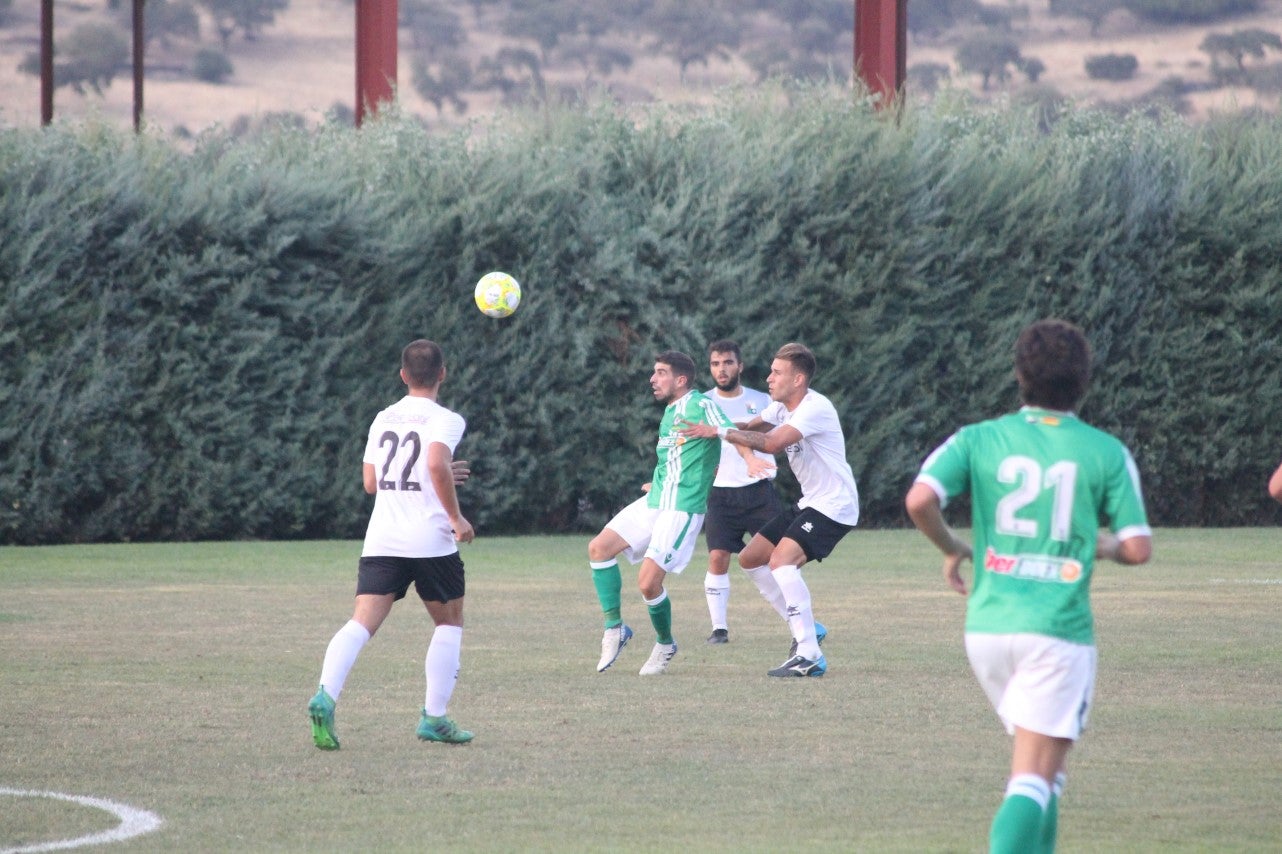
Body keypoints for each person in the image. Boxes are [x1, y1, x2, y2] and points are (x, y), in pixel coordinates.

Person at [904, 319, 1153, 854]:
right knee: (1032, 779)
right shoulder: (1105, 451)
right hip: (1055, 632)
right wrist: (1097, 544)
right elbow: (1137, 547)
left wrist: (952, 546)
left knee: (1045, 774)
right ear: (1085, 380)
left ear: (1019, 375)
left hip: (989, 628)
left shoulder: (979, 438)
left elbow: (920, 499)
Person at [308, 339, 477, 749]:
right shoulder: (446, 419)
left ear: (403, 375)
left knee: (360, 623)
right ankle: (434, 718)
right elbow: (434, 462)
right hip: (431, 541)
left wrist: (431, 474)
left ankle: (325, 695)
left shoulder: (384, 417)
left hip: (383, 538)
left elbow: (371, 482)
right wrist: (455, 517)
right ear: (443, 374)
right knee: (448, 623)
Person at [680, 342, 860, 678]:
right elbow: (748, 428)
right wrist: (709, 427)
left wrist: (719, 431)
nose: (769, 378)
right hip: (811, 501)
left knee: (781, 561)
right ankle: (806, 629)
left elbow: (773, 444)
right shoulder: (781, 409)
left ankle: (809, 654)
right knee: (750, 558)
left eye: (777, 373)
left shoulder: (814, 408)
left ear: (798, 379)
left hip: (835, 505)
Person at [588, 350, 745, 675]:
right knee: (599, 548)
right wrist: (656, 482)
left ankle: (664, 643)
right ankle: (615, 628)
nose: (652, 379)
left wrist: (752, 457)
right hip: (657, 498)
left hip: (682, 506)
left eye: (660, 372)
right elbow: (676, 458)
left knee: (647, 584)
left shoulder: (700, 404)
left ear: (681, 379)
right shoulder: (671, 412)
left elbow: (729, 432)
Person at [700, 339, 782, 644]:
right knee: (718, 557)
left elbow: (775, 436)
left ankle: (799, 621)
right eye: (715, 364)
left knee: (780, 556)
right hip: (721, 495)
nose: (722, 370)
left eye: (728, 363)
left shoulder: (763, 401)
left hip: (759, 491)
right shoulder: (702, 403)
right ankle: (719, 629)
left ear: (740, 366)